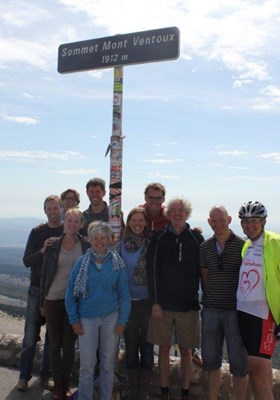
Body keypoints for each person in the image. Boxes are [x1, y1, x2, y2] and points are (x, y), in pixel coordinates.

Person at [65, 221, 131, 400]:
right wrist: (74, 319)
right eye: (96, 238)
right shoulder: (82, 262)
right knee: (87, 365)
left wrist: (122, 320)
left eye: (104, 237)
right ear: (91, 240)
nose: (100, 241)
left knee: (108, 364)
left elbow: (124, 294)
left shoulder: (117, 263)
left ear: (110, 239)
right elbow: (70, 292)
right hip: (87, 318)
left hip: (112, 317)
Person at [147, 198, 204, 400]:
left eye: (181, 210)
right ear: (168, 215)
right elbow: (151, 270)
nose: (177, 213)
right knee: (163, 349)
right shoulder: (159, 237)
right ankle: (164, 392)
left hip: (188, 306)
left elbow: (203, 272)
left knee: (187, 351)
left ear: (187, 214)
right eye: (174, 211)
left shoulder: (197, 238)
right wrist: (155, 301)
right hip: (162, 305)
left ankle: (185, 392)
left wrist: (202, 301)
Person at [200, 205, 248, 400]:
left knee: (239, 363)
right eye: (214, 220)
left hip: (235, 311)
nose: (218, 224)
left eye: (222, 220)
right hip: (211, 309)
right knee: (211, 361)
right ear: (209, 222)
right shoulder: (205, 247)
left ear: (229, 220)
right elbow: (205, 277)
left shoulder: (242, 245)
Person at [40, 208, 89, 400]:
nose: (72, 224)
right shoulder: (54, 244)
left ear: (81, 225)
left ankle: (65, 386)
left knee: (69, 346)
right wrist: (43, 300)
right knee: (53, 344)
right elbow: (45, 272)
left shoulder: (85, 246)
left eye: (76, 221)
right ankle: (57, 387)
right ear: (64, 222)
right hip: (52, 298)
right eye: (69, 220)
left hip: (75, 302)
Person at [16, 195, 64, 392]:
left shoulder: (66, 230)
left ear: (61, 209)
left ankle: (45, 377)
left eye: (56, 208)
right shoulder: (37, 232)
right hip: (37, 290)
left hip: (57, 292)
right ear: (45, 210)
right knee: (29, 337)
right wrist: (43, 250)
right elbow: (27, 260)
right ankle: (23, 378)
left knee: (52, 339)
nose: (53, 212)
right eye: (49, 208)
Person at [237, 200, 280, 400]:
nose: (249, 225)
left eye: (254, 220)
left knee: (257, 378)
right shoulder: (247, 245)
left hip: (264, 317)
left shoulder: (274, 242)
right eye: (245, 221)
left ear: (263, 221)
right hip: (245, 315)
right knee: (260, 375)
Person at [120, 207, 153, 400]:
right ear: (129, 222)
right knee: (131, 346)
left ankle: (144, 392)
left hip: (147, 302)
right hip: (127, 302)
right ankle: (133, 391)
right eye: (134, 220)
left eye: (141, 220)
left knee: (147, 346)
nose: (138, 224)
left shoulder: (152, 242)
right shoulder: (121, 243)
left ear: (146, 222)